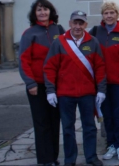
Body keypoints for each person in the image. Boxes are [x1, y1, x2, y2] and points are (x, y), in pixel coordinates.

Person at [44, 10, 106, 166]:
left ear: (85, 24)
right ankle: (70, 159)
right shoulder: (59, 42)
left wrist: (101, 89)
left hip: (87, 93)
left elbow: (100, 67)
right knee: (67, 128)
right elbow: (50, 67)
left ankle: (91, 156)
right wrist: (50, 90)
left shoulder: (93, 42)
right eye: (75, 23)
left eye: (81, 23)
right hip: (65, 93)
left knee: (90, 127)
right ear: (70, 23)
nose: (78, 26)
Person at [19, 0, 64, 166]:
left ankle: (53, 157)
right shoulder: (29, 33)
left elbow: (67, 52)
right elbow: (24, 60)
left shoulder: (58, 30)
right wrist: (30, 83)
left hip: (57, 85)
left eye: (45, 9)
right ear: (35, 13)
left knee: (54, 121)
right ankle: (45, 160)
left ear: (50, 11)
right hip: (37, 86)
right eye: (39, 10)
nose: (42, 13)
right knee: (42, 123)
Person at [89, 2, 119, 160]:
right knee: (106, 114)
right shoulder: (95, 32)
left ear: (117, 15)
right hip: (101, 82)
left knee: (118, 113)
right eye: (106, 13)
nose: (109, 16)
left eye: (112, 12)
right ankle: (111, 144)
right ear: (103, 15)